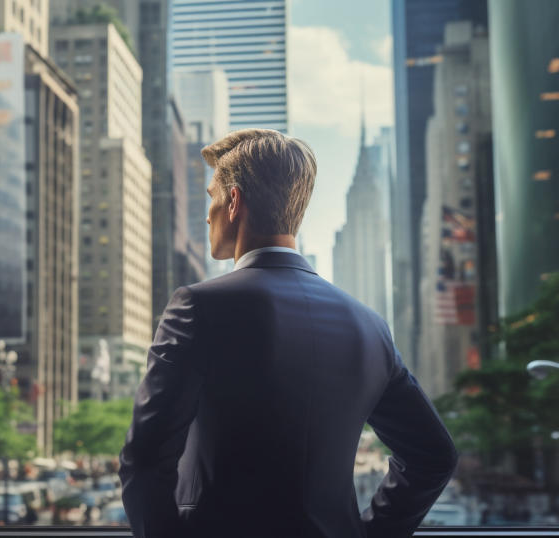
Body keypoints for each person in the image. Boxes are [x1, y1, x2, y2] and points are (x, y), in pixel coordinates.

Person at [118, 129, 459, 538]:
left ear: (234, 201)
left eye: (212, 196)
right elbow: (433, 455)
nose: (206, 213)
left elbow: (144, 457)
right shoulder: (369, 326)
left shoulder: (198, 307)